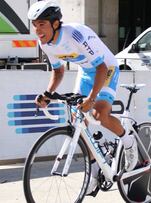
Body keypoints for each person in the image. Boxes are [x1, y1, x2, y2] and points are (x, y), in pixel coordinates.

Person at [28, 0, 138, 195]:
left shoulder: (74, 34)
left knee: (99, 113)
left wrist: (92, 98)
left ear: (55, 23)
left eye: (42, 24)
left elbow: (102, 68)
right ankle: (95, 171)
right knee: (77, 119)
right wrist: (47, 94)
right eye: (35, 25)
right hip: (87, 72)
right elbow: (58, 72)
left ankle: (129, 143)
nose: (38, 30)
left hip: (106, 69)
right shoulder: (45, 44)